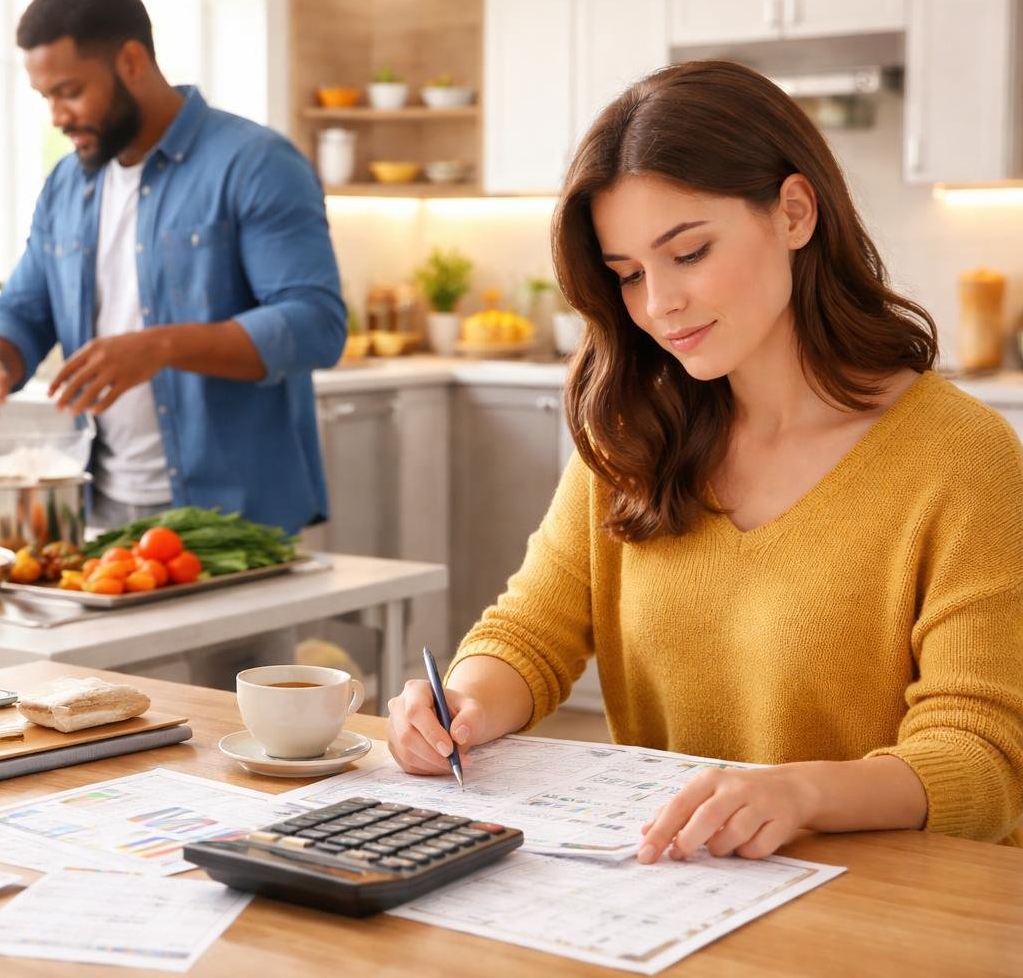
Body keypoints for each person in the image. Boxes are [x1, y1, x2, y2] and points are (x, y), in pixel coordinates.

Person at [388, 60, 1023, 857]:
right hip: (678, 891)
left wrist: (800, 794)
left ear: (794, 212)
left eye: (688, 253)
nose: (659, 305)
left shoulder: (959, 455)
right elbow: (530, 633)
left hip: (890, 908)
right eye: (628, 275)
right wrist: (464, 706)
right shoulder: (635, 431)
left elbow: (982, 758)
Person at [0, 0, 345, 534]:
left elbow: (315, 325)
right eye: (46, 97)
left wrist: (160, 346)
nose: (57, 116)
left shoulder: (256, 163)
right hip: (102, 514)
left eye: (70, 91)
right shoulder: (67, 185)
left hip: (233, 524)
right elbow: (25, 308)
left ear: (132, 61)